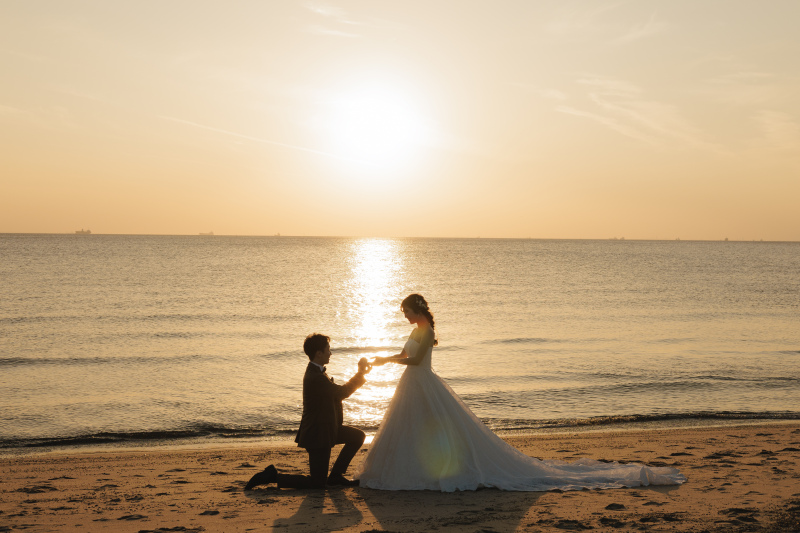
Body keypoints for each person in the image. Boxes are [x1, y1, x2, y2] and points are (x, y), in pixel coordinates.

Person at [355, 294, 686, 491]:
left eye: (406, 312)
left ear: (416, 310)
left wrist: (391, 360)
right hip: (413, 384)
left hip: (421, 383)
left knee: (432, 428)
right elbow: (403, 356)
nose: (405, 317)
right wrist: (384, 359)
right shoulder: (417, 329)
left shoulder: (425, 331)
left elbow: (413, 359)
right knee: (413, 429)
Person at [245, 333, 371, 490]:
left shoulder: (318, 372)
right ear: (319, 353)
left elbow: (335, 395)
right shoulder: (315, 376)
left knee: (358, 436)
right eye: (328, 350)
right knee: (317, 484)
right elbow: (341, 393)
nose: (330, 353)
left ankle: (336, 476)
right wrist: (359, 374)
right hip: (318, 434)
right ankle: (272, 476)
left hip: (328, 429)